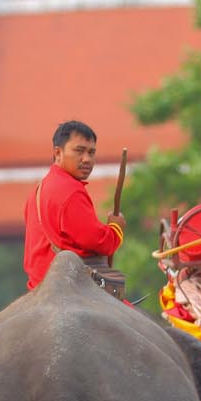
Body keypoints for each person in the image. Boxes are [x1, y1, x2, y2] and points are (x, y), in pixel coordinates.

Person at [23, 120, 125, 292]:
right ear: (58, 153)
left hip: (38, 287)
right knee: (130, 317)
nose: (87, 159)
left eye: (91, 152)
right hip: (69, 287)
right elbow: (96, 241)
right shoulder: (70, 191)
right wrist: (115, 228)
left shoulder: (39, 189)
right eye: (79, 151)